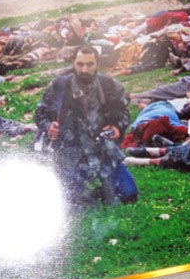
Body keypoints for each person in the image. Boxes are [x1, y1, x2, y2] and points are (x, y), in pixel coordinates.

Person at [35, 45, 132, 205]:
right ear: (73, 63)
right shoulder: (59, 86)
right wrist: (48, 127)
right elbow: (40, 113)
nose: (84, 69)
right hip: (70, 155)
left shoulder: (109, 86)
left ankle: (102, 188)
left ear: (97, 64)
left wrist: (117, 126)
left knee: (128, 194)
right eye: (80, 64)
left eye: (89, 64)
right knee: (73, 202)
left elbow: (124, 112)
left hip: (103, 152)